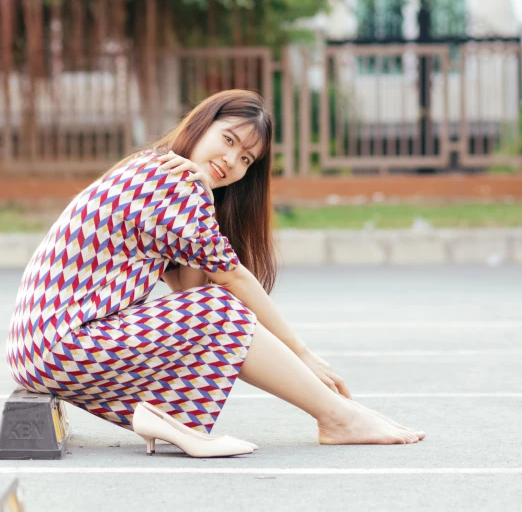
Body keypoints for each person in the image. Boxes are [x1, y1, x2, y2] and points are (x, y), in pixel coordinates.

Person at [6, 89, 425, 456]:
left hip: (40, 347)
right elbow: (232, 280)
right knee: (225, 308)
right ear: (200, 124)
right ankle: (337, 417)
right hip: (62, 345)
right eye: (227, 140)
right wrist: (303, 352)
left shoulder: (154, 168)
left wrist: (205, 197)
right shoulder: (175, 185)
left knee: (216, 309)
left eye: (246, 159)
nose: (231, 161)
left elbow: (190, 292)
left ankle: (337, 414)